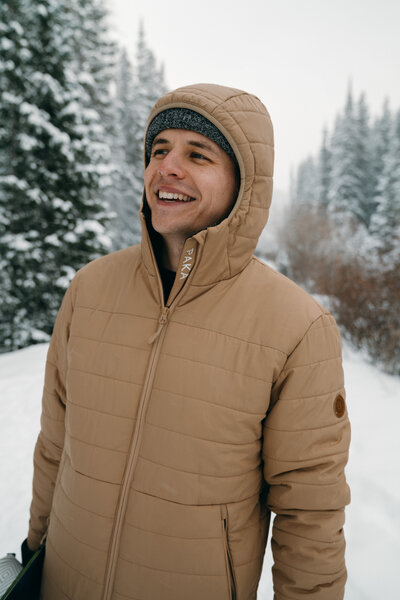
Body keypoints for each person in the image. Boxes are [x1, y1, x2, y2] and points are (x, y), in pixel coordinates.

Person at [24, 83, 351, 600]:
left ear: (244, 185)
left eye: (198, 154)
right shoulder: (89, 290)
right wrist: (33, 556)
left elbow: (308, 511)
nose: (167, 168)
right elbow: (55, 447)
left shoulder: (296, 326)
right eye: (159, 151)